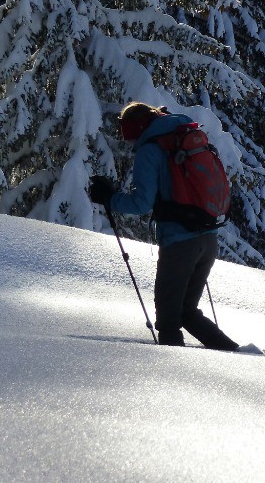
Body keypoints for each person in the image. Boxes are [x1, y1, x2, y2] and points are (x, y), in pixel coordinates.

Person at [89, 101, 239, 351]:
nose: (129, 143)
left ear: (136, 129)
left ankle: (172, 375)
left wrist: (110, 198)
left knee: (169, 320)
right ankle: (236, 354)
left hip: (180, 243)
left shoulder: (151, 150)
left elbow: (141, 203)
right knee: (187, 312)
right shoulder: (184, 135)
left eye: (128, 135)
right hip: (208, 236)